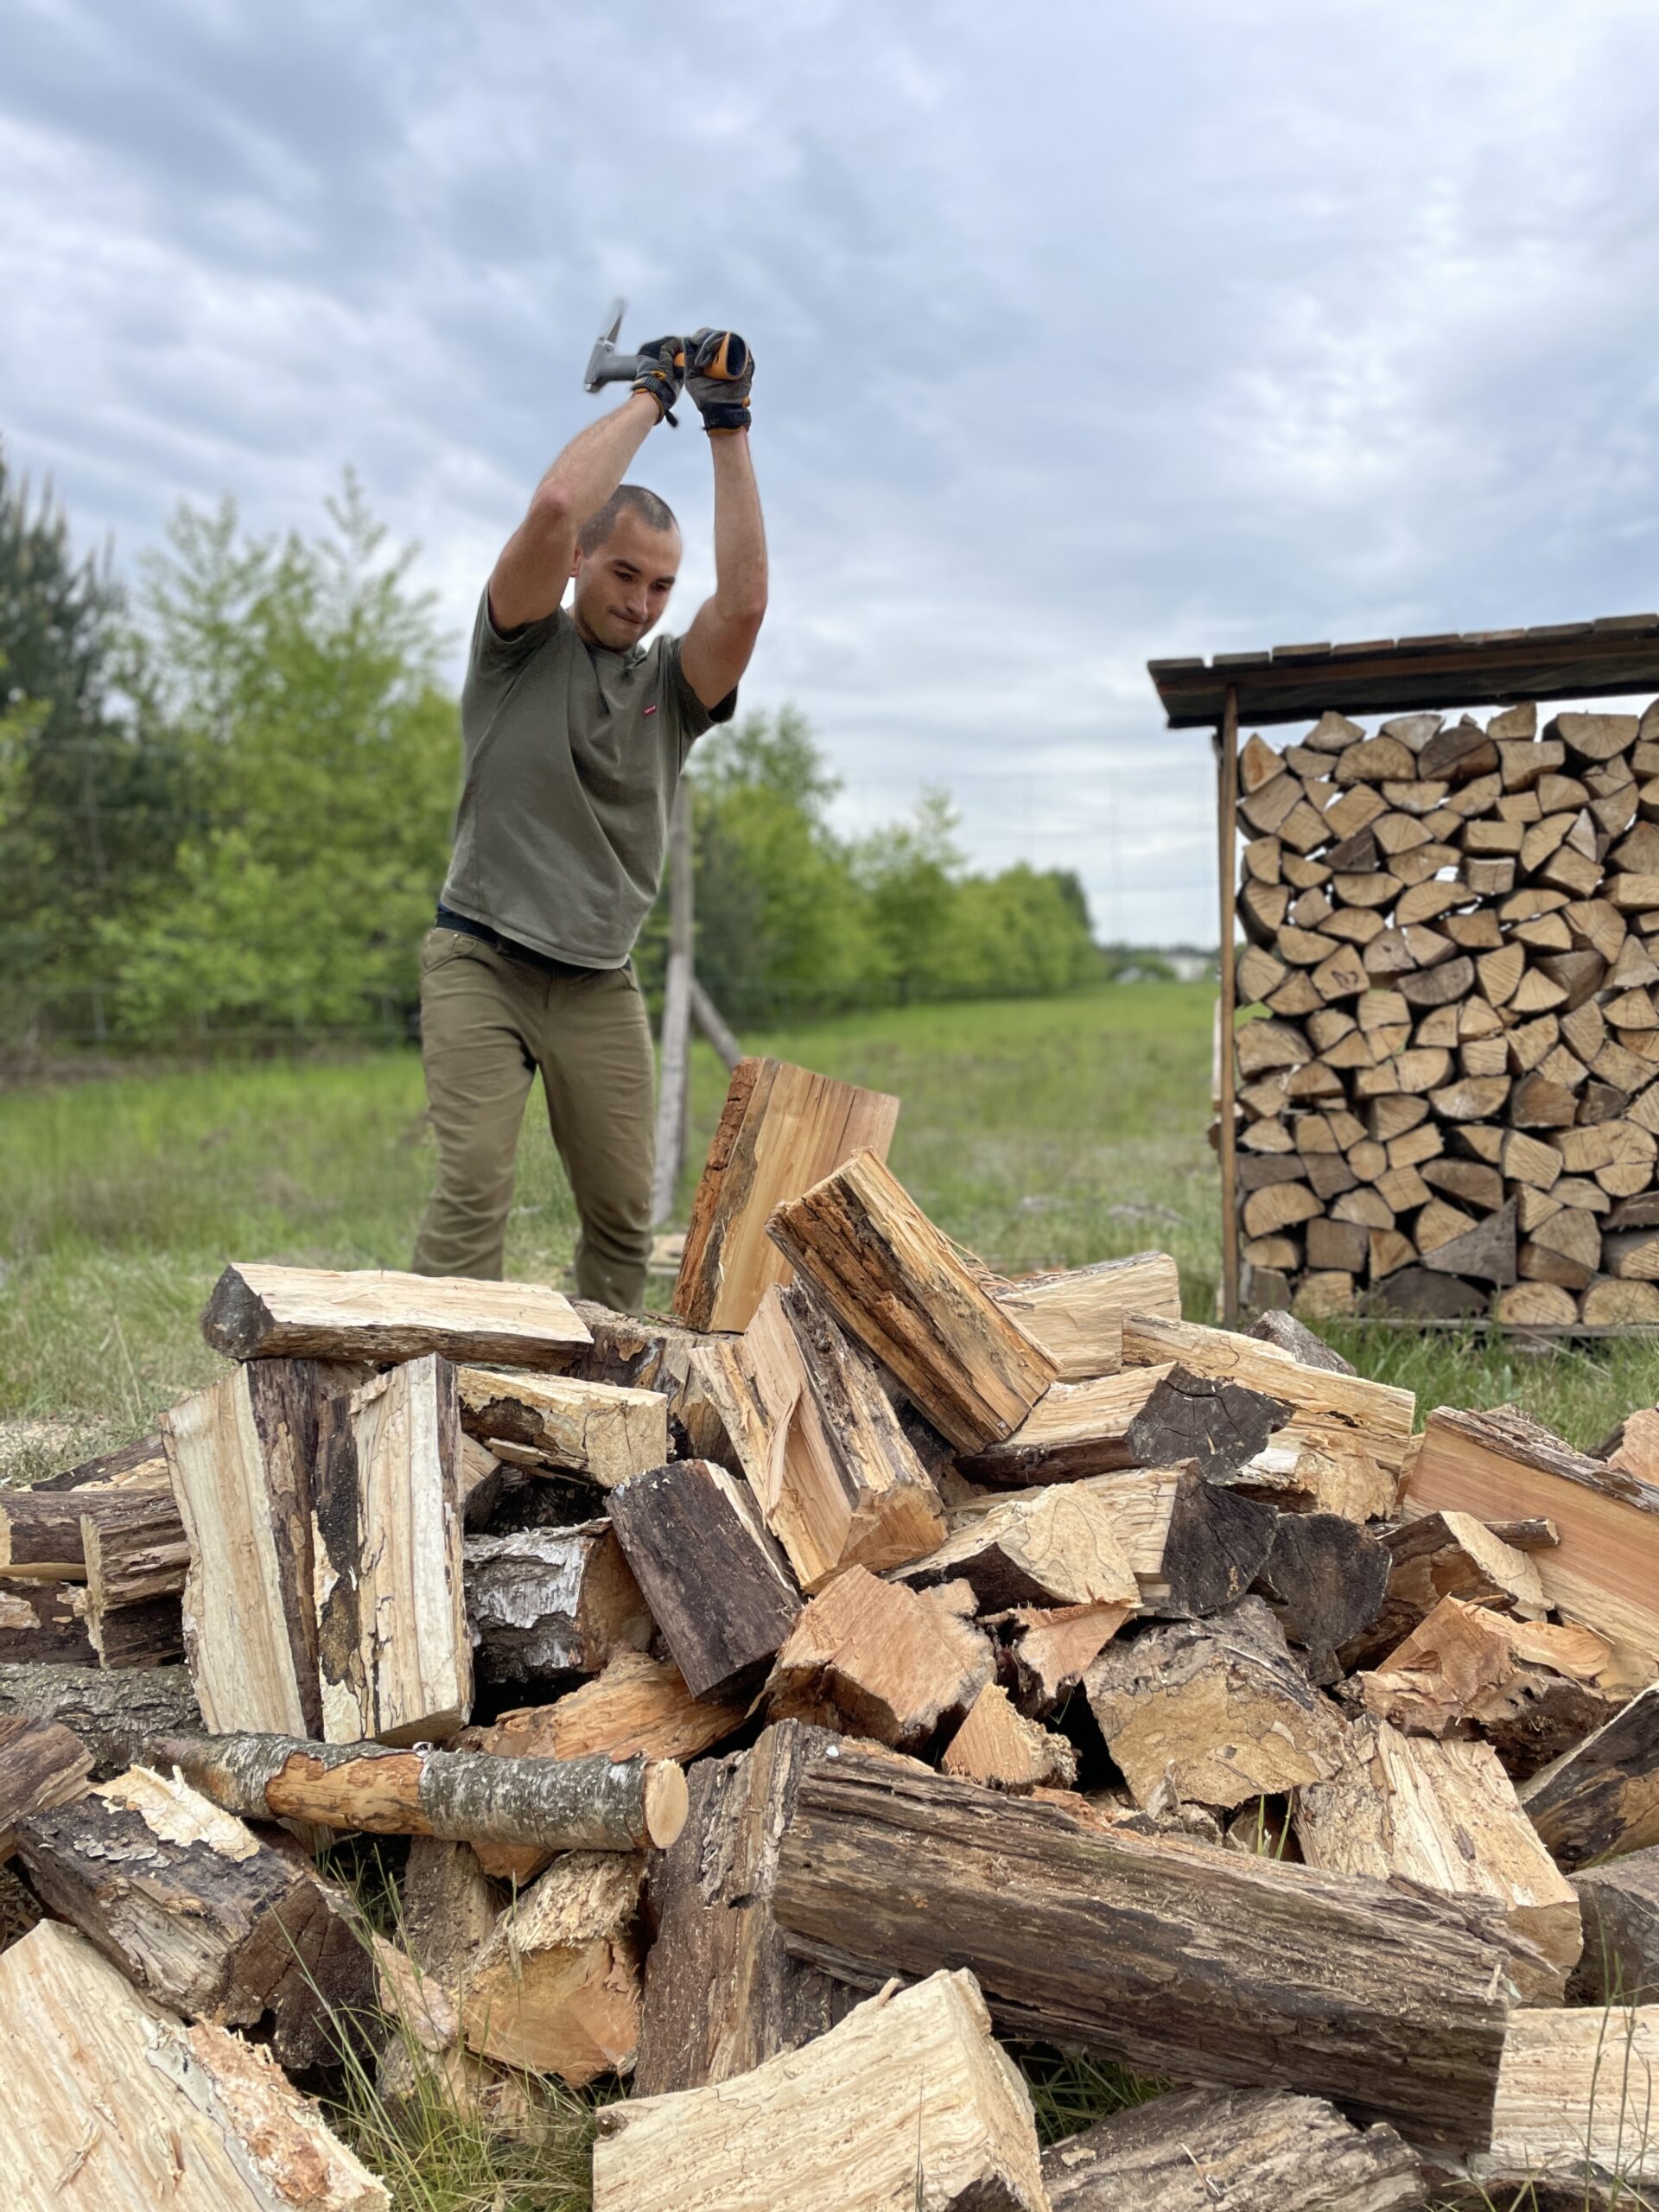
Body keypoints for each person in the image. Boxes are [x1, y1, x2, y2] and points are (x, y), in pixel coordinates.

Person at [411, 329, 766, 1311]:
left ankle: (595, 1403)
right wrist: (652, 395)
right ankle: (431, 1392)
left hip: (599, 982)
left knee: (622, 1216)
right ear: (579, 566)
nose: (645, 603)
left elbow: (740, 609)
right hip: (481, 960)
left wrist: (727, 426)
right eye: (625, 576)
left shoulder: (672, 689)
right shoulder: (518, 644)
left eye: (661, 585)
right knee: (473, 1191)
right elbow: (560, 504)